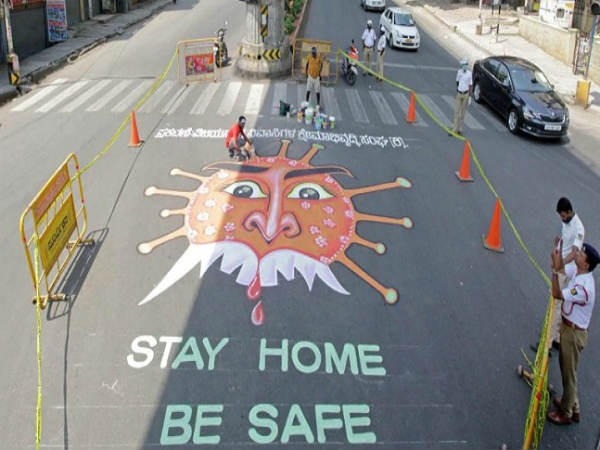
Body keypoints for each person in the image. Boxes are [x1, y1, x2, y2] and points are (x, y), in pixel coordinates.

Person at [547, 240, 598, 425]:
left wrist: (554, 272)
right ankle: (573, 406)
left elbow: (557, 293)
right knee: (569, 370)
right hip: (570, 329)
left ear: (587, 264)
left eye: (581, 254)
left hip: (573, 334)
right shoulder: (579, 272)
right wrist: (558, 254)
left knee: (568, 374)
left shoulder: (583, 288)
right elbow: (562, 268)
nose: (577, 254)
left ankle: (566, 413)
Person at [450, 57, 472, 136]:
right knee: (456, 112)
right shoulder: (459, 72)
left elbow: (470, 85)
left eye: (465, 65)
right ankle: (454, 128)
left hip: (466, 94)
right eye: (463, 65)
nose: (464, 66)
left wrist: (470, 97)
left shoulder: (469, 74)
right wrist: (459, 89)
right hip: (459, 94)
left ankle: (460, 129)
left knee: (462, 113)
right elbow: (457, 81)